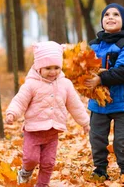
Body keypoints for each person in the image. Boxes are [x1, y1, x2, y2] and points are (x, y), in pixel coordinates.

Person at [5, 41, 90, 186]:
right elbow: (20, 101)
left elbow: (75, 105)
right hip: (33, 131)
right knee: (31, 159)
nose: (53, 72)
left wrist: (85, 122)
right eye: (48, 68)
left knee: (48, 163)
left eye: (56, 67)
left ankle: (42, 184)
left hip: (53, 132)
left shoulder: (65, 84)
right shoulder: (31, 84)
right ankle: (25, 171)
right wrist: (12, 113)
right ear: (39, 67)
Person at [85, 3, 124, 180]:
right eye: (106, 14)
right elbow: (83, 69)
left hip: (122, 103)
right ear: (102, 21)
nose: (110, 17)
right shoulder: (92, 46)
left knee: (122, 140)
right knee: (97, 138)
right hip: (98, 104)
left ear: (123, 22)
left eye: (116, 15)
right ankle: (100, 169)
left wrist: (101, 78)